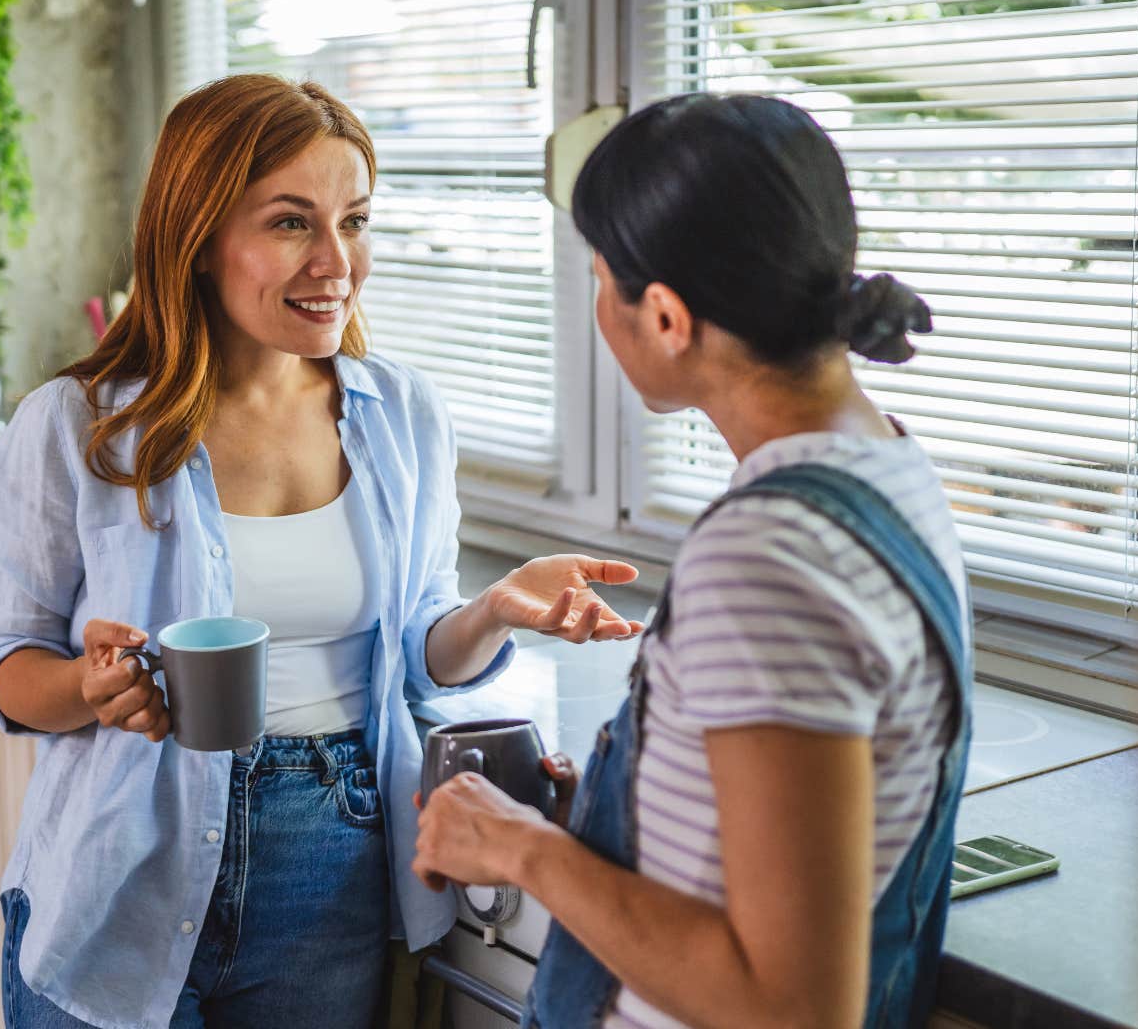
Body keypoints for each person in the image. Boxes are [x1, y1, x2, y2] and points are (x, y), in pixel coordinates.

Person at [0, 73, 643, 1029]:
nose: (337, 261)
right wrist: (88, 686)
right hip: (120, 865)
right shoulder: (80, 427)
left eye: (355, 221)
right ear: (198, 239)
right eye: (291, 223)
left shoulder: (401, 415)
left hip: (333, 864)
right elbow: (8, 669)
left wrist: (494, 609)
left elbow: (417, 654)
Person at [413, 93, 974, 1029]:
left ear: (666, 317)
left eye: (600, 275)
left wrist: (525, 852)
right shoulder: (886, 468)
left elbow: (792, 1006)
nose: (595, 302)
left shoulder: (768, 558)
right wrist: (612, 818)